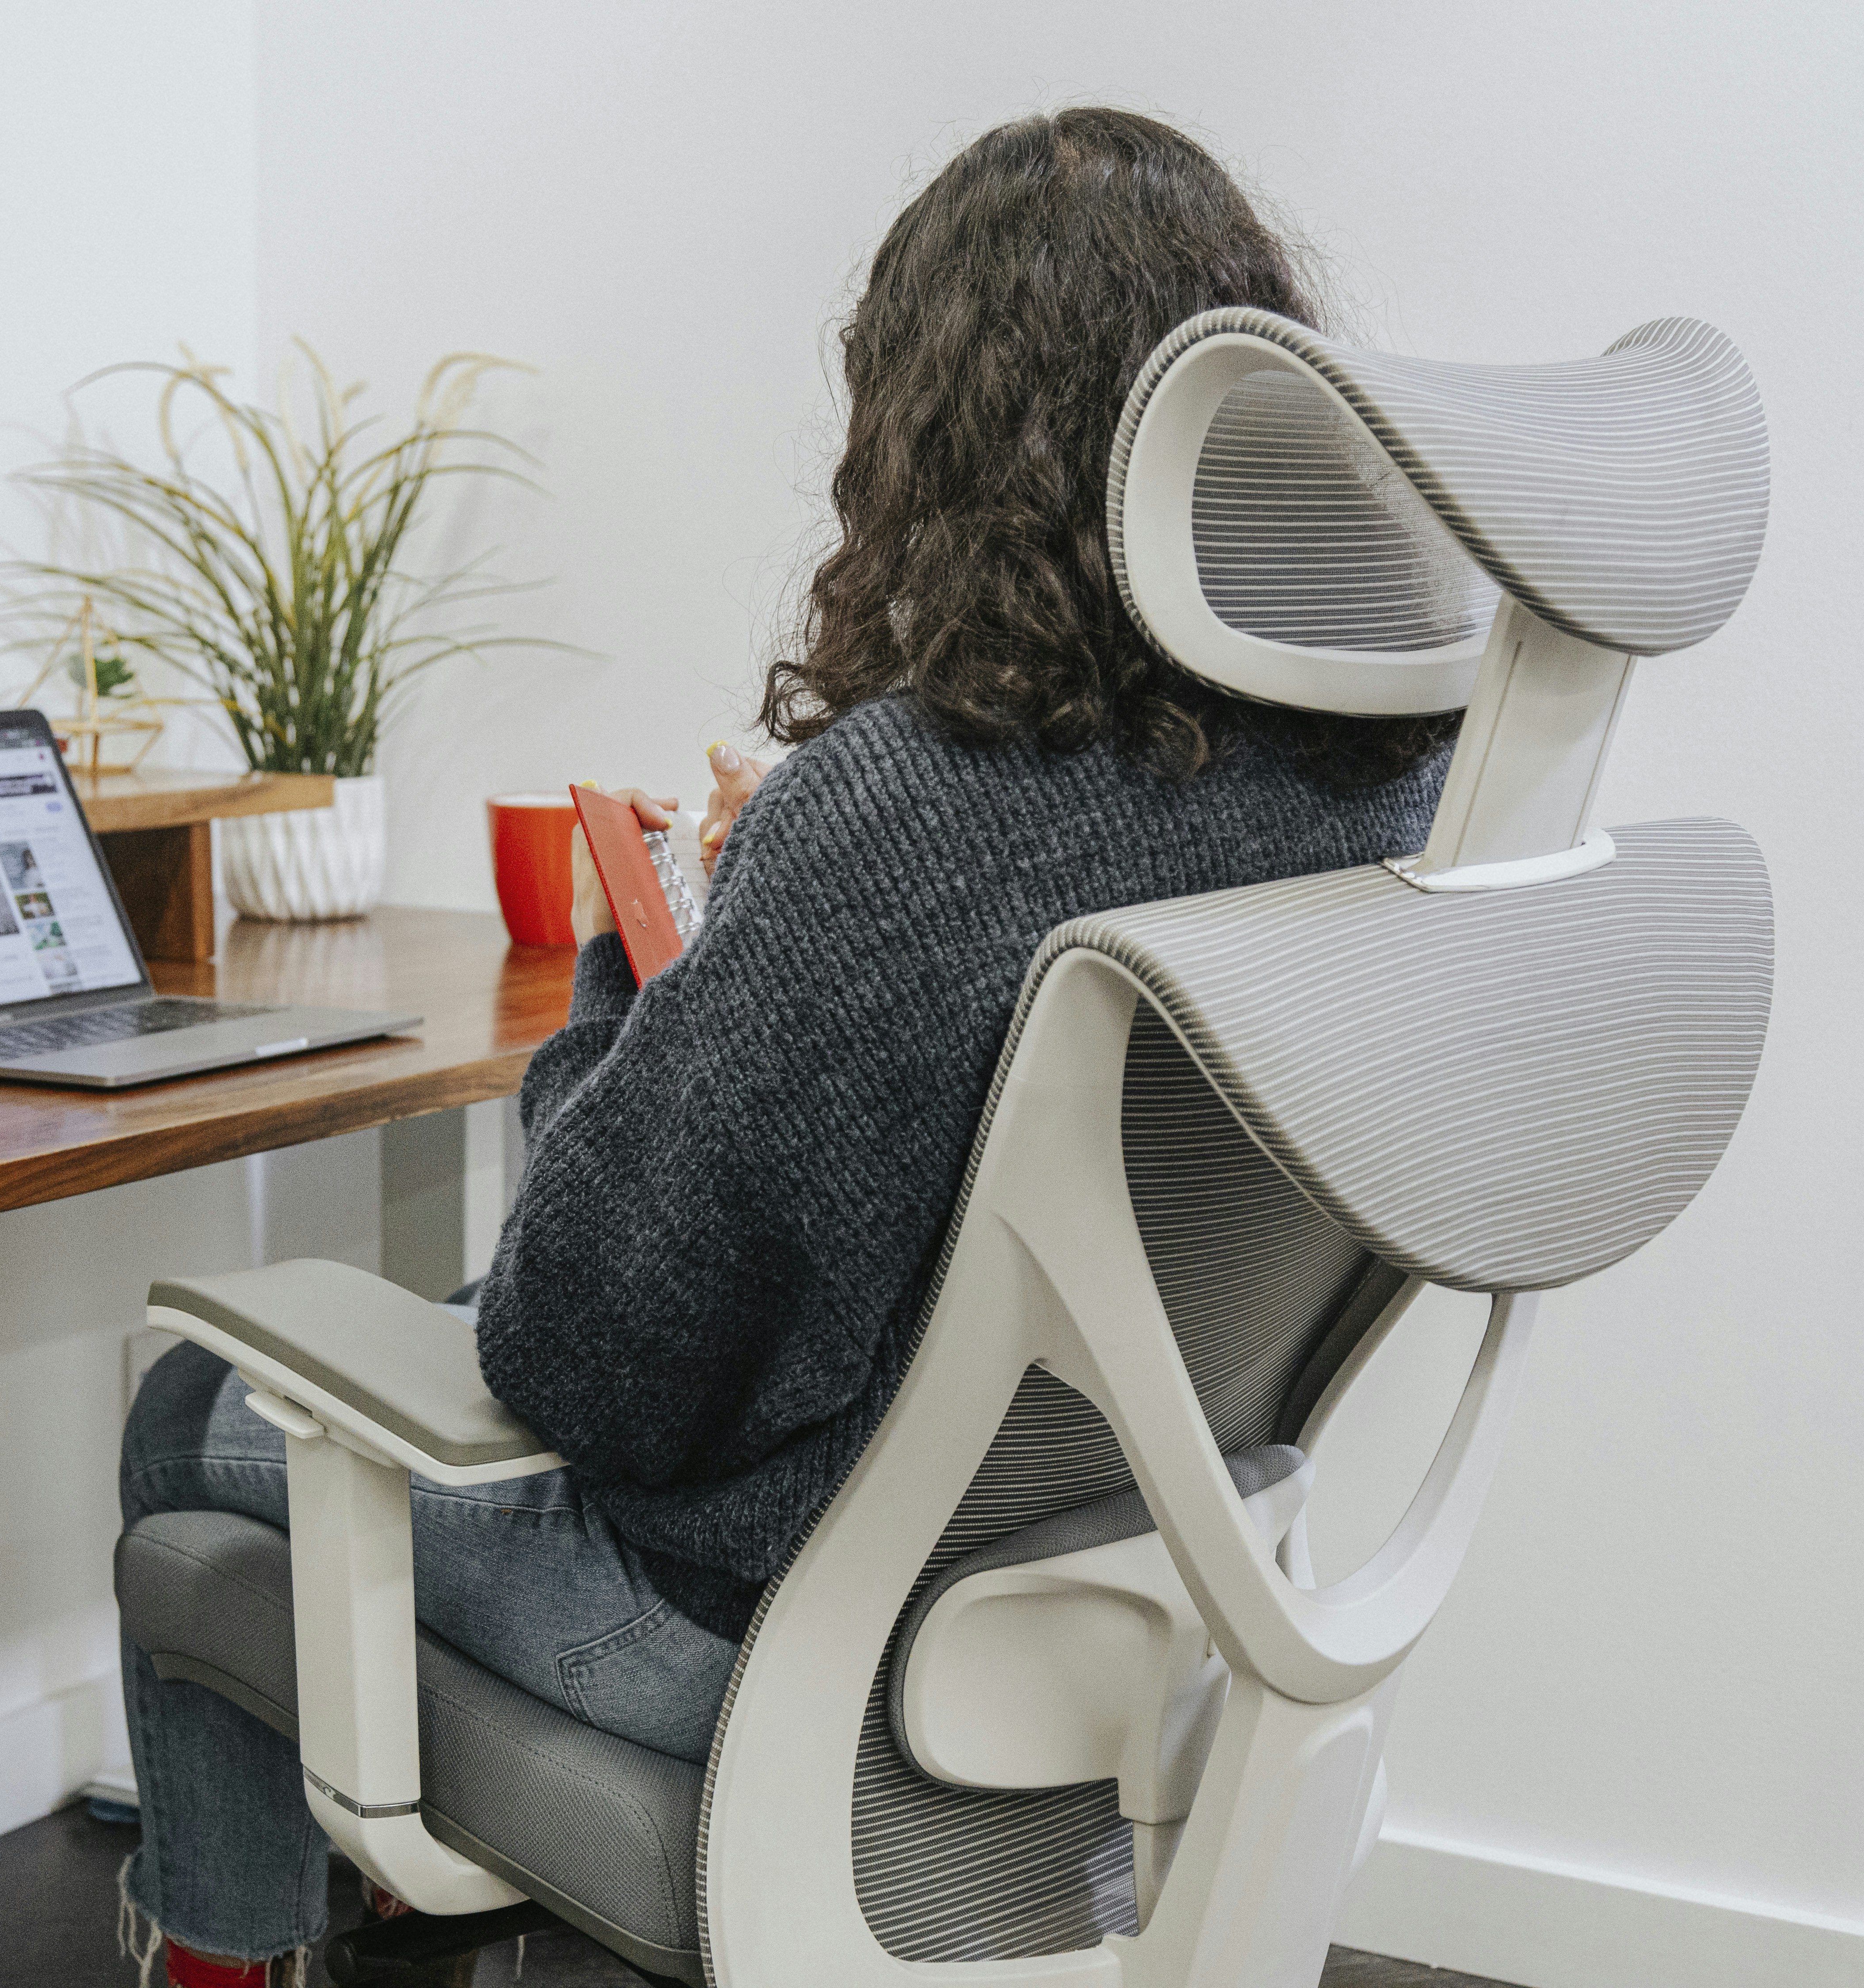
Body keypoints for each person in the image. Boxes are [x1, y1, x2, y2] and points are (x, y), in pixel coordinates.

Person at [116, 106, 1458, 1987]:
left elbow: (581, 1354)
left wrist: (645, 950)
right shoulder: (1383, 788)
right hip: (1146, 1606)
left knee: (187, 1415)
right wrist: (783, 913)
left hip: (775, 1648)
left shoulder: (910, 810)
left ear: (931, 440)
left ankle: (231, 1955)